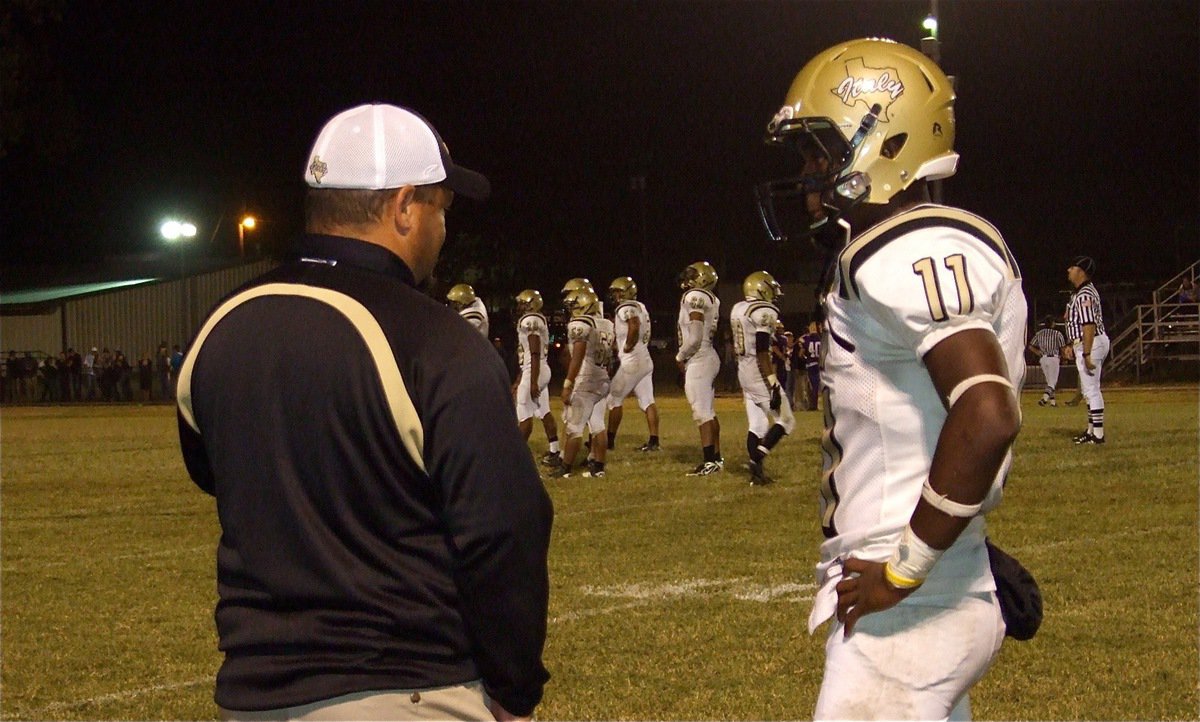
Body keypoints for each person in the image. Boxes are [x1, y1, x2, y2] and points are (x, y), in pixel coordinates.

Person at [176, 102, 552, 721]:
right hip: (406, 690)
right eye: (440, 207)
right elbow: (502, 529)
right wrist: (515, 690)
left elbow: (212, 472)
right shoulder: (437, 342)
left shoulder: (224, 320)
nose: (444, 229)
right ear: (404, 206)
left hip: (253, 697)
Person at [757, 38, 1028, 719]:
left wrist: (908, 567)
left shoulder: (912, 243)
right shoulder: (911, 246)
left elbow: (986, 413)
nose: (811, 174)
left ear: (884, 138)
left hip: (911, 603)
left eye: (821, 150)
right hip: (937, 581)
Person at [730, 271, 795, 485]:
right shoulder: (764, 310)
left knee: (757, 425)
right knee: (786, 419)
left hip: (743, 370)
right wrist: (773, 383)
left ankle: (757, 475)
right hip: (758, 370)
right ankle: (757, 458)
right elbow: (761, 351)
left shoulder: (738, 308)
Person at [548, 287, 614, 478]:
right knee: (598, 424)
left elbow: (577, 356)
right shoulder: (606, 324)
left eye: (575, 305)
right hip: (602, 378)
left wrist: (568, 383)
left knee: (574, 427)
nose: (572, 310)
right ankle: (598, 467)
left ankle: (566, 468)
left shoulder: (580, 323)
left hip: (586, 380)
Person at [604, 276, 661, 453]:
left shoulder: (626, 307)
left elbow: (634, 326)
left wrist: (628, 344)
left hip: (633, 360)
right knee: (647, 400)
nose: (615, 296)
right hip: (645, 357)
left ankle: (609, 441)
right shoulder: (641, 307)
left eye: (618, 292)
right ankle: (654, 440)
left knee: (614, 399)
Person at [513, 289, 562, 465]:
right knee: (544, 411)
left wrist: (532, 380)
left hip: (535, 369)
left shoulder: (530, 320)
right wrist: (520, 379)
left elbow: (533, 352)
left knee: (524, 414)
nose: (519, 306)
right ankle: (555, 451)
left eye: (523, 303)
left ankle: (516, 457)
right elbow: (527, 355)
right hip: (538, 369)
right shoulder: (537, 319)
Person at [1065, 255, 1109, 444]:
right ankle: (1092, 431)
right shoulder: (1081, 292)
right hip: (1088, 342)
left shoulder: (1084, 294)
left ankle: (1097, 434)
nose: (1068, 270)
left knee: (1091, 390)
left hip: (1091, 342)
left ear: (1081, 271)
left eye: (1072, 267)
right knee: (1089, 390)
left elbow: (1088, 324)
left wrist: (1087, 352)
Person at [1028, 315, 1067, 407]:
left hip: (1043, 358)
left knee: (1049, 381)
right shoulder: (1057, 334)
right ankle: (1044, 399)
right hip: (1053, 358)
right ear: (1052, 324)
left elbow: (1030, 346)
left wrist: (1038, 352)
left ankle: (1052, 402)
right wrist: (1064, 358)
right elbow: (1062, 348)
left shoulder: (1039, 333)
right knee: (1053, 382)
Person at [798, 321, 822, 411]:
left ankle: (814, 405)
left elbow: (801, 354)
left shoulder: (806, 339)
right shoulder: (821, 338)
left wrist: (805, 358)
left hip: (811, 364)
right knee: (820, 385)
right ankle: (821, 404)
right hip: (820, 364)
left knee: (813, 386)